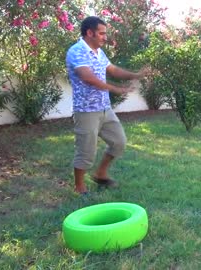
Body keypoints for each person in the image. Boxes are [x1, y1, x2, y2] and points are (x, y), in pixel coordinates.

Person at [65, 16, 152, 194]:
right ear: (90, 33)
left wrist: (136, 75)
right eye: (102, 33)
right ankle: (79, 187)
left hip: (105, 108)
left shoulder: (98, 52)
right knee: (86, 152)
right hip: (86, 110)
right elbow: (87, 77)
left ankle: (100, 174)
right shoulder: (77, 51)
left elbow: (113, 70)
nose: (105, 37)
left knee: (119, 142)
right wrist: (114, 89)